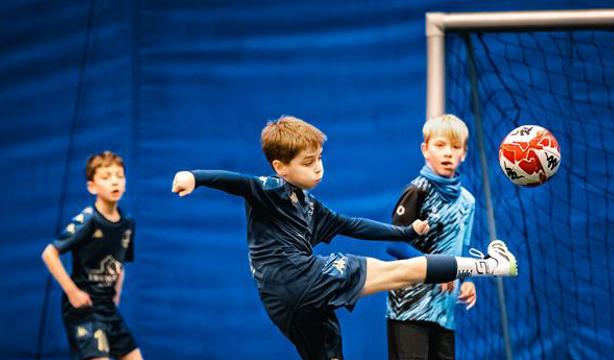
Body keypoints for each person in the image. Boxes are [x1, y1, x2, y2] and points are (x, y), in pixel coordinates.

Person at [171, 116, 517, 360]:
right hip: (302, 278)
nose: (318, 168)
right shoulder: (271, 188)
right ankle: (491, 266)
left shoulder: (308, 206)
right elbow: (237, 182)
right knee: (399, 273)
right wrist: (194, 176)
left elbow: (352, 225)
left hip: (284, 305)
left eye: (319, 159)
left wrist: (406, 232)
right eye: (308, 162)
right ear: (280, 167)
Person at [386, 114, 503, 360]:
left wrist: (467, 279)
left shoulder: (467, 201)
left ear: (464, 153)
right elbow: (395, 244)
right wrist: (438, 269)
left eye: (456, 147)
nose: (448, 153)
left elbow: (463, 247)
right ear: (425, 150)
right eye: (440, 145)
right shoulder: (417, 191)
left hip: (443, 310)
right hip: (409, 308)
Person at [41, 151, 142, 360]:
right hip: (85, 311)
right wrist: (72, 292)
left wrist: (115, 297)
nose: (114, 181)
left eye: (119, 176)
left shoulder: (127, 223)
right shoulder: (88, 220)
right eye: (106, 177)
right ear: (92, 186)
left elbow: (120, 264)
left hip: (108, 308)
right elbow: (49, 254)